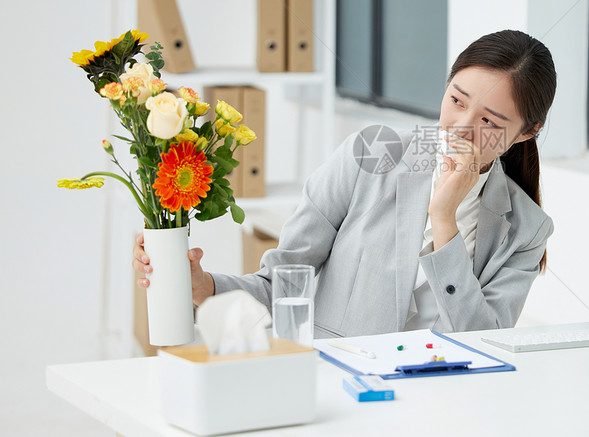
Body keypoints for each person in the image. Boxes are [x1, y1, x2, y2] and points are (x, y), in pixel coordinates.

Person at [134, 29, 557, 338]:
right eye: (456, 101)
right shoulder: (370, 156)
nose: (461, 128)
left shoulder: (527, 228)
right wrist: (203, 286)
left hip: (441, 405)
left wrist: (444, 219)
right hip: (336, 388)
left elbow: (488, 340)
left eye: (488, 121)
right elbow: (280, 283)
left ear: (525, 132)